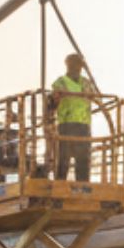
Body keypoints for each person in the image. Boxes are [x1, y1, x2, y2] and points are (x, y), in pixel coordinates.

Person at [48, 53, 97, 182]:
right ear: (68, 65)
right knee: (64, 159)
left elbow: (93, 96)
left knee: (83, 160)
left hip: (83, 125)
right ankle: (60, 184)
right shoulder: (60, 82)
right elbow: (54, 100)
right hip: (67, 124)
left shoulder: (86, 83)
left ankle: (83, 186)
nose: (76, 68)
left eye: (78, 65)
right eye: (74, 64)